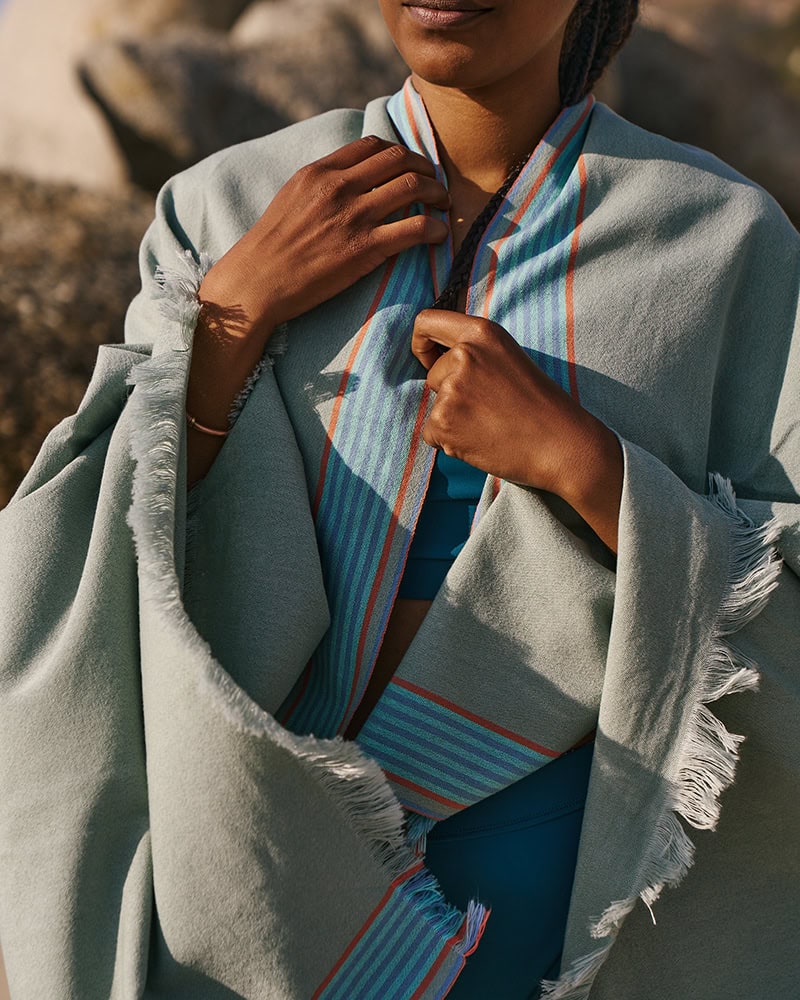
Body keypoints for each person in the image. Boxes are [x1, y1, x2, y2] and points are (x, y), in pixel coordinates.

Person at [0, 1, 798, 998]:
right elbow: (84, 559)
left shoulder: (720, 242)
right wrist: (229, 319)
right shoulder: (227, 207)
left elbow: (784, 584)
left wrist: (583, 465)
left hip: (559, 920)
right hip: (250, 884)